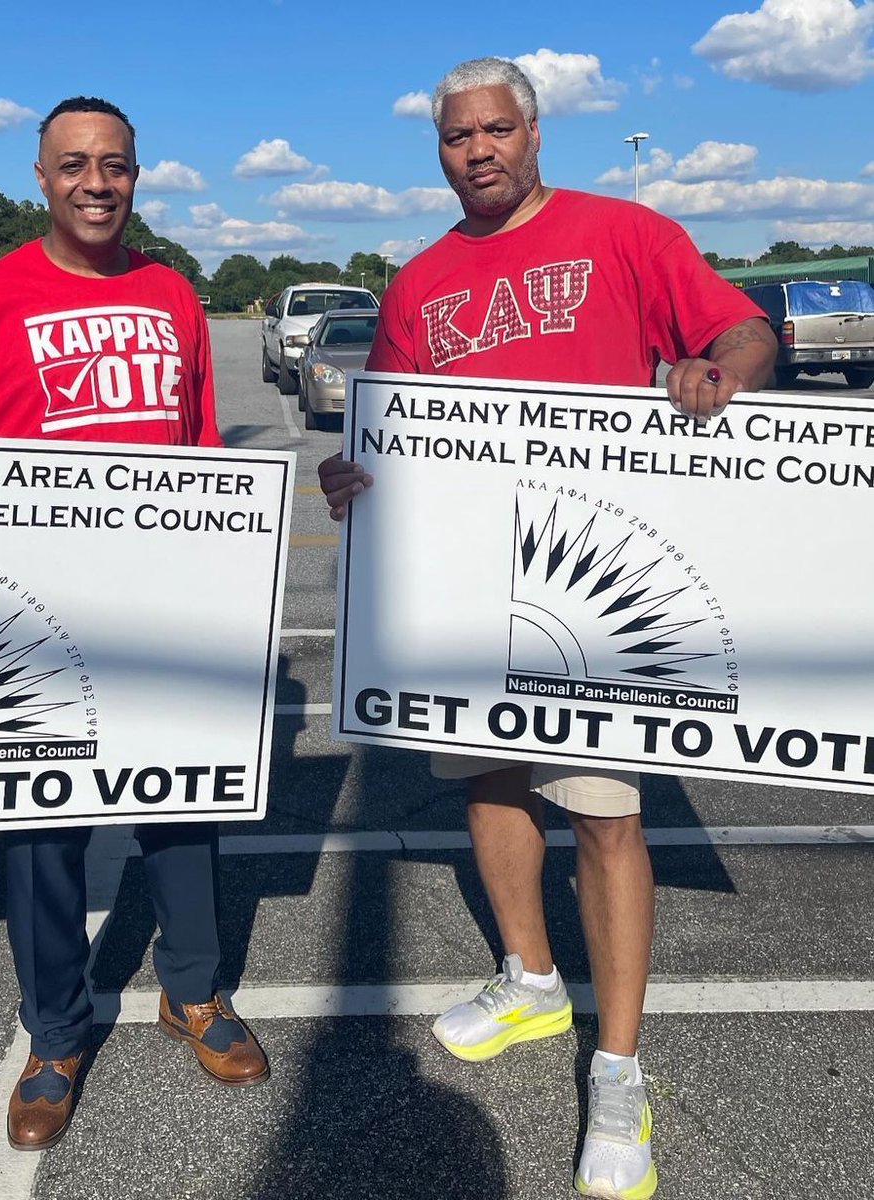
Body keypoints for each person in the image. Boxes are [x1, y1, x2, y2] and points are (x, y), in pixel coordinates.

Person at [319, 58, 776, 1200]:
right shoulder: (419, 281)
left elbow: (741, 329)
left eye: (496, 130)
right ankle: (527, 976)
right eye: (455, 136)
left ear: (533, 132)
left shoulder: (624, 233)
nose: (476, 151)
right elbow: (394, 426)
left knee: (607, 822)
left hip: (598, 593)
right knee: (489, 785)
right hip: (473, 590)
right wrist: (351, 474)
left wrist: (718, 371)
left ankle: (617, 1068)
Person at [0, 96, 269, 1152]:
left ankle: (195, 994)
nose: (95, 182)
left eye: (114, 165)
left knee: (181, 805)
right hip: (31, 620)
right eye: (74, 163)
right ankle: (54, 1034)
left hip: (158, 605)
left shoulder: (171, 291)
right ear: (40, 174)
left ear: (137, 174)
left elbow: (203, 449)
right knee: (42, 822)